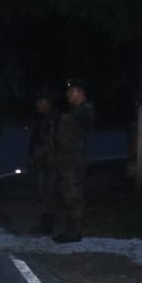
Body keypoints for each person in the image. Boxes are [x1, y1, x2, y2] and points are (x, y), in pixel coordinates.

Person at [50, 78, 94, 243]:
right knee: (66, 194)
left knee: (73, 194)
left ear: (80, 93)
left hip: (74, 160)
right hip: (65, 159)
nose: (68, 95)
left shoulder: (85, 110)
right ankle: (70, 229)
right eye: (68, 91)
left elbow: (84, 121)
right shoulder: (71, 110)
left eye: (72, 91)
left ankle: (74, 231)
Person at [28, 86, 59, 233]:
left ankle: (48, 225)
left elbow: (49, 142)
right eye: (38, 102)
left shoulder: (51, 119)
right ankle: (45, 223)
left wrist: (34, 157)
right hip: (43, 161)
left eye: (42, 102)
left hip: (50, 161)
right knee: (42, 192)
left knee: (48, 192)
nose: (39, 105)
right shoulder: (41, 119)